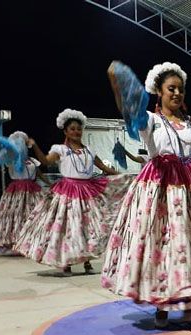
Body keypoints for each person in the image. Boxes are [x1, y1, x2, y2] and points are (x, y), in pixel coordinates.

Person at [102, 61, 191, 328]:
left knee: (190, 246)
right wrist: (118, 82)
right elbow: (129, 106)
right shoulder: (152, 121)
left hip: (190, 190)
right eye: (171, 88)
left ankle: (188, 299)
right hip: (158, 189)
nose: (177, 93)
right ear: (159, 91)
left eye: (180, 89)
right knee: (161, 246)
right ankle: (161, 304)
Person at [14, 109, 130, 276]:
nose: (76, 131)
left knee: (88, 227)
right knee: (69, 228)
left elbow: (103, 168)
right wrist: (35, 146)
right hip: (68, 193)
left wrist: (122, 177)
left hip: (88, 191)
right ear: (65, 131)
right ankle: (66, 262)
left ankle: (87, 262)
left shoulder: (89, 150)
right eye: (73, 129)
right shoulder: (60, 149)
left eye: (79, 128)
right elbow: (46, 161)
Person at [0, 131, 51, 253]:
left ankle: (33, 240)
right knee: (16, 216)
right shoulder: (11, 158)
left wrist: (50, 184)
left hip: (33, 190)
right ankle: (16, 241)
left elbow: (39, 174)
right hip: (16, 191)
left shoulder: (32, 160)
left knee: (34, 214)